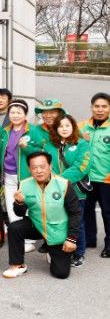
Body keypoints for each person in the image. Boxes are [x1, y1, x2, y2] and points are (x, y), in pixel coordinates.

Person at [3, 152, 81, 279]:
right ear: (29, 169)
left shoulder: (64, 184)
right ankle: (17, 265)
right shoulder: (24, 184)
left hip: (57, 230)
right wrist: (19, 202)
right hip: (37, 225)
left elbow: (75, 213)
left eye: (42, 166)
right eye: (34, 167)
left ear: (50, 166)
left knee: (61, 273)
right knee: (14, 228)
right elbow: (19, 213)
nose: (39, 171)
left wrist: (71, 239)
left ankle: (52, 250)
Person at [47, 114, 91, 267]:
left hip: (75, 190)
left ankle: (79, 253)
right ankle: (59, 249)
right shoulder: (49, 145)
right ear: (55, 128)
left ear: (73, 127)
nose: (64, 129)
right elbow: (46, 165)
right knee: (58, 220)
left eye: (67, 125)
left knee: (77, 222)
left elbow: (82, 166)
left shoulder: (82, 144)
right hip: (54, 191)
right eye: (60, 126)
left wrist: (59, 180)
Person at [0, 100, 40, 252]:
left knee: (27, 206)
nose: (15, 115)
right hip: (8, 175)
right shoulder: (5, 131)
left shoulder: (33, 130)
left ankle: (29, 239)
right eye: (12, 112)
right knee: (11, 206)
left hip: (26, 176)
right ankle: (18, 237)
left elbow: (41, 151)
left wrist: (27, 147)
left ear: (25, 114)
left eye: (19, 112)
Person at [79, 92, 110, 258]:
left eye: (104, 106)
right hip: (86, 178)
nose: (100, 110)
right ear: (91, 107)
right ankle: (89, 239)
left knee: (107, 212)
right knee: (86, 210)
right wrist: (80, 138)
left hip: (106, 179)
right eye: (97, 106)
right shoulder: (82, 126)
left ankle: (109, 245)